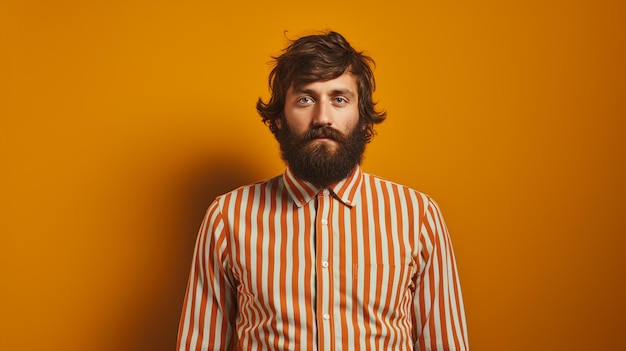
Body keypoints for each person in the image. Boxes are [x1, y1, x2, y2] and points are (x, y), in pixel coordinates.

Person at [177, 31, 469, 351]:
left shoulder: (418, 216)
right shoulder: (227, 217)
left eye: (339, 99)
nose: (322, 117)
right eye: (305, 99)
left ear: (363, 119)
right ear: (278, 119)